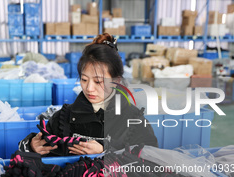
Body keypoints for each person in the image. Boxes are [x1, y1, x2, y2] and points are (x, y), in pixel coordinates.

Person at [19, 33, 158, 156]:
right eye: (84, 80)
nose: (89, 88)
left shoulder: (133, 119)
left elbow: (151, 157)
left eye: (98, 82)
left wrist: (106, 151)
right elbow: (31, 148)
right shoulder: (64, 117)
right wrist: (32, 146)